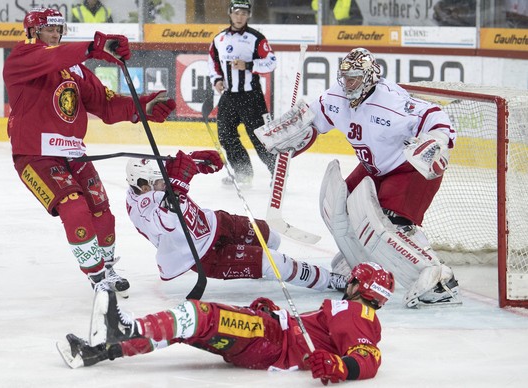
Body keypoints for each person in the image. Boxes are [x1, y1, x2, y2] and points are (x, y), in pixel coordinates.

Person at [254, 47, 461, 308]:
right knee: (342, 208)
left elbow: (435, 115)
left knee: (392, 224)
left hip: (409, 170)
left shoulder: (391, 102)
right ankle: (362, 259)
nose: (348, 83)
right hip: (374, 168)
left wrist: (438, 139)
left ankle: (440, 279)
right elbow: (313, 120)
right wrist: (293, 131)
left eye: (354, 77)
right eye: (345, 77)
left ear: (370, 77)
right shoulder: (337, 97)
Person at [2, 7, 176, 295]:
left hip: (74, 154)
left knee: (102, 212)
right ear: (33, 31)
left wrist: (142, 108)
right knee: (75, 208)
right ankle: (96, 276)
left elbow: (105, 104)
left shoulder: (76, 69)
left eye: (59, 29)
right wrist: (94, 47)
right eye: (49, 28)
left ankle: (107, 266)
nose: (55, 34)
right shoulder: (22, 57)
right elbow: (55, 57)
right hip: (36, 156)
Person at [57, 262, 395, 385]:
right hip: (269, 331)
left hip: (269, 340)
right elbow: (320, 331)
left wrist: (339, 365)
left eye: (353, 280)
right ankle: (102, 350)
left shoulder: (357, 313)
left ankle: (123, 330)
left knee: (197, 316)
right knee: (190, 326)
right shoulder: (351, 313)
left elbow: (368, 357)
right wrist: (276, 313)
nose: (347, 283)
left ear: (360, 287)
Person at [124, 151, 347, 292]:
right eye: (162, 182)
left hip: (215, 223)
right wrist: (178, 184)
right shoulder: (140, 210)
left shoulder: (149, 183)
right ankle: (330, 281)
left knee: (271, 236)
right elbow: (168, 220)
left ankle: (257, 266)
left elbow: (176, 172)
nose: (166, 184)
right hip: (204, 256)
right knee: (275, 262)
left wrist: (196, 162)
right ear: (144, 187)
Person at [208, 0, 277, 187]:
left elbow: (271, 62)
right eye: (237, 12)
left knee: (260, 136)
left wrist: (248, 65)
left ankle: (277, 174)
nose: (240, 17)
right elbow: (213, 63)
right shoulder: (219, 39)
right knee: (226, 135)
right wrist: (217, 80)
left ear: (249, 15)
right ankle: (243, 173)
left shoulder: (256, 38)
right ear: (230, 13)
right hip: (229, 96)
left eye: (244, 13)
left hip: (251, 96)